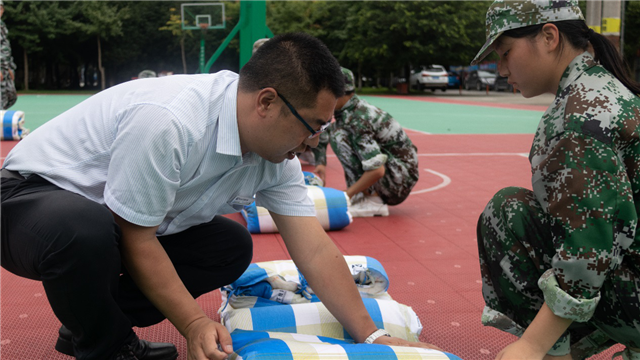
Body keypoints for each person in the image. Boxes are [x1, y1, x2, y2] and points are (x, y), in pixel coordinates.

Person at [1, 33, 439, 360]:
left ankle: (88, 320)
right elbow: (136, 237)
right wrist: (193, 324)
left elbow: (314, 249)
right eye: (312, 125)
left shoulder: (277, 154)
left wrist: (372, 335)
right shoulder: (171, 121)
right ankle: (108, 346)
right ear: (266, 102)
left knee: (229, 246)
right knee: (84, 229)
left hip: (108, 223)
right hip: (28, 200)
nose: (313, 142)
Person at [472, 1, 640, 359]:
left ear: (549, 37)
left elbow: (587, 256)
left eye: (505, 53)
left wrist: (532, 346)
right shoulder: (601, 87)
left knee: (508, 213)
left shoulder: (579, 115)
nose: (502, 70)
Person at [313, 67, 419, 217]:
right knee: (337, 132)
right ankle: (364, 195)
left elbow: (377, 170)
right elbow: (324, 133)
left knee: (339, 137)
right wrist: (321, 164)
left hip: (398, 180)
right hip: (396, 173)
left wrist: (345, 196)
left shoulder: (357, 119)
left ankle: (372, 201)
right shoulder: (348, 111)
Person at [0, 0, 17, 110]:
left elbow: (6, 48)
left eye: (0, 8)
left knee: (11, 96)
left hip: (5, 67)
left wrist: (10, 68)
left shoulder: (2, 25)